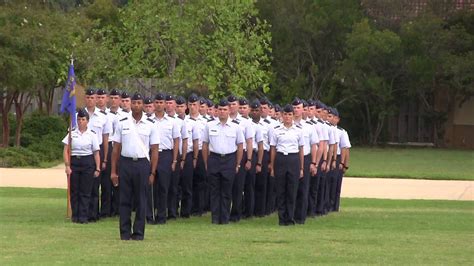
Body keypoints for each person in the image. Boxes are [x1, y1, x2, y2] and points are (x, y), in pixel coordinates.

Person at [110, 92, 159, 241]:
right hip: (125, 163)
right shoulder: (122, 122)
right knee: (124, 199)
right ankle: (124, 233)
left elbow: (155, 150)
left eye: (139, 103)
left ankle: (138, 233)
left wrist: (152, 172)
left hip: (143, 164)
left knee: (141, 200)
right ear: (130, 104)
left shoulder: (151, 124)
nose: (136, 105)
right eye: (134, 103)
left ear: (143, 105)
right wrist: (113, 171)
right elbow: (116, 149)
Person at [202, 98, 244, 224]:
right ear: (217, 110)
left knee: (226, 190)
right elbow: (205, 145)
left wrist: (237, 163)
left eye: (224, 109)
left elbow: (240, 146)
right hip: (214, 158)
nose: (222, 112)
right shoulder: (209, 125)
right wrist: (206, 162)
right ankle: (215, 218)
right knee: (214, 190)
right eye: (220, 109)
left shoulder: (236, 127)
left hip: (229, 159)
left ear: (229, 110)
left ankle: (225, 218)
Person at [62, 109, 101, 224]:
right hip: (75, 162)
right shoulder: (72, 133)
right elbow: (65, 150)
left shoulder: (92, 134)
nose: (80, 122)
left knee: (85, 191)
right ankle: (75, 215)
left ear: (87, 121)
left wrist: (98, 167)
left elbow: (96, 152)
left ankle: (83, 216)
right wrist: (67, 165)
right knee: (75, 191)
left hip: (87, 162)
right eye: (79, 119)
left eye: (83, 119)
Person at [269, 104, 304, 226]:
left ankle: (290, 218)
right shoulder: (276, 130)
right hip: (280, 159)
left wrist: (301, 168)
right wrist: (272, 167)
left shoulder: (298, 131)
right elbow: (273, 149)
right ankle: (282, 218)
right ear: (282, 116)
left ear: (293, 116)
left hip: (293, 159)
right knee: (281, 190)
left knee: (292, 190)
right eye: (285, 114)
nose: (287, 117)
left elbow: (301, 150)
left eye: (290, 114)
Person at [148, 92, 180, 224]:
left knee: (163, 187)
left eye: (162, 102)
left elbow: (176, 141)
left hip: (166, 155)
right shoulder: (148, 120)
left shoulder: (172, 122)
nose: (159, 105)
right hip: (150, 154)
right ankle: (149, 216)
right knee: (150, 186)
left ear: (165, 104)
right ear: (154, 104)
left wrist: (174, 160)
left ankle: (161, 216)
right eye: (157, 102)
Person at [83, 88, 112, 222]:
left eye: (92, 97)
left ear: (96, 99)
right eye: (87, 97)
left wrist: (105, 158)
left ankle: (94, 213)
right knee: (85, 185)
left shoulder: (103, 116)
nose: (90, 100)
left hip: (98, 151)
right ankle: (84, 212)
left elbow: (106, 139)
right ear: (85, 99)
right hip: (84, 151)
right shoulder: (79, 115)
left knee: (96, 184)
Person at [292, 98, 319, 224]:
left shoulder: (309, 127)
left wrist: (314, 163)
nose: (296, 110)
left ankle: (300, 217)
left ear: (303, 109)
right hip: (291, 158)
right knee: (290, 188)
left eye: (298, 108)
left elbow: (314, 146)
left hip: (306, 158)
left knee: (303, 188)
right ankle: (289, 215)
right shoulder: (286, 125)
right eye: (294, 107)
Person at [229, 96, 254, 222]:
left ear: (238, 106)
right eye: (230, 104)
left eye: (234, 104)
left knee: (238, 186)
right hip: (227, 154)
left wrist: (249, 159)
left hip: (241, 154)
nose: (231, 106)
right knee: (226, 185)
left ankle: (236, 214)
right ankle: (225, 211)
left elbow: (249, 141)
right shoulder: (222, 120)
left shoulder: (245, 122)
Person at [176, 96, 200, 218]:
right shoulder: (172, 121)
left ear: (185, 107)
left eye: (181, 106)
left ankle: (186, 212)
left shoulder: (192, 123)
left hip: (188, 156)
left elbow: (195, 142)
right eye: (177, 106)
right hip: (174, 155)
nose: (179, 109)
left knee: (187, 185)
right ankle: (173, 210)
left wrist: (195, 158)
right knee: (174, 185)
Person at [250, 100, 271, 217]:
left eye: (257, 110)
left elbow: (272, 143)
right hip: (252, 154)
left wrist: (270, 162)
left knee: (262, 184)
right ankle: (250, 209)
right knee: (250, 183)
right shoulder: (247, 124)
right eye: (253, 110)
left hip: (264, 155)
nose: (255, 112)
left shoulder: (267, 124)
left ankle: (261, 210)